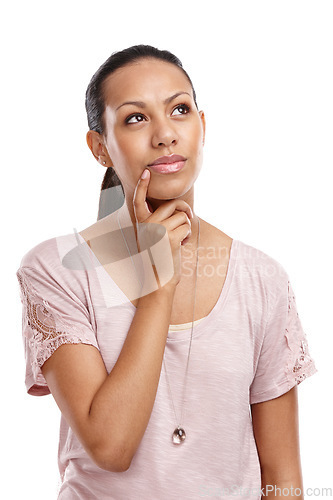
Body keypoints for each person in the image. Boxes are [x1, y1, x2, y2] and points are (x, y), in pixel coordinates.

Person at [16, 44, 317, 499]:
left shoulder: (261, 278)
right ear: (100, 147)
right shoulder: (56, 270)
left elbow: (284, 478)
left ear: (201, 126)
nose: (165, 135)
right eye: (135, 118)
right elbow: (110, 447)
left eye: (179, 110)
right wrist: (159, 285)